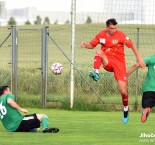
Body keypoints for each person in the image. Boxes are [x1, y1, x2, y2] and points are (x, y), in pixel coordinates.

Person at [80, 18, 145, 124]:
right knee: (98, 51)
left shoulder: (121, 35)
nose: (114, 30)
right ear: (107, 28)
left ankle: (125, 109)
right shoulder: (101, 35)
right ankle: (96, 72)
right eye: (111, 28)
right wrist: (85, 45)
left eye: (115, 28)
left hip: (119, 64)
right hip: (108, 61)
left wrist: (140, 59)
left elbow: (132, 46)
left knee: (123, 91)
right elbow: (92, 45)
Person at [127, 55, 155, 123]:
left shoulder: (152, 59)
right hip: (150, 88)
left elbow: (136, 64)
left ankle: (146, 111)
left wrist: (126, 75)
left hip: (149, 88)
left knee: (147, 107)